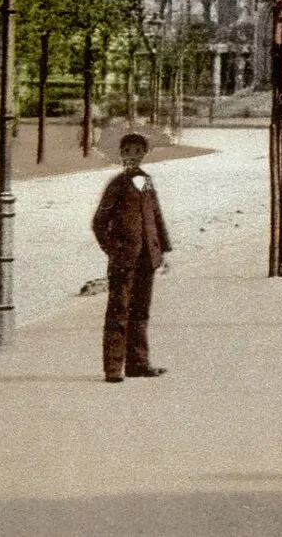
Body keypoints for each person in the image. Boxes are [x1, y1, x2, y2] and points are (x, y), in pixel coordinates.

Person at [92, 131, 171, 381]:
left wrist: (163, 251)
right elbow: (99, 222)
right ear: (121, 154)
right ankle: (113, 368)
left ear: (144, 154)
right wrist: (112, 249)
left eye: (138, 152)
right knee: (119, 309)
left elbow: (156, 217)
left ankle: (138, 363)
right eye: (128, 152)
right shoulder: (117, 184)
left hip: (147, 257)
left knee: (141, 310)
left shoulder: (147, 182)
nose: (133, 156)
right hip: (123, 259)